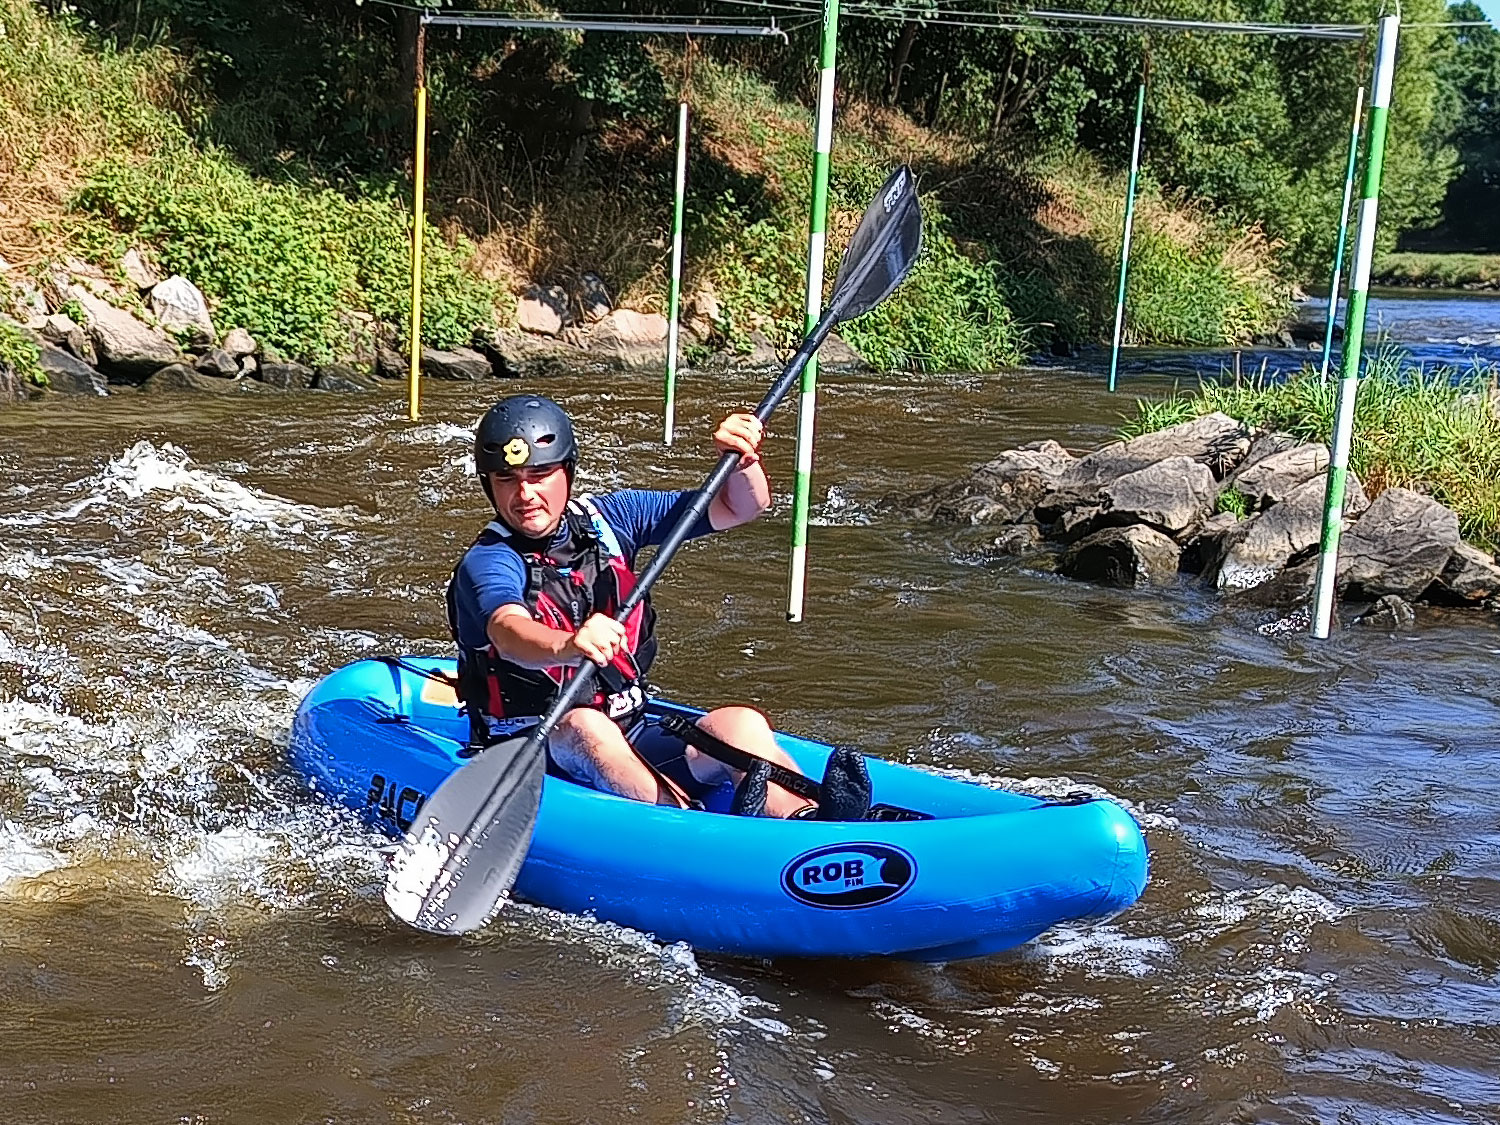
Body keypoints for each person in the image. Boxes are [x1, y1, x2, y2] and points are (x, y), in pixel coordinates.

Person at [445, 394, 816, 817]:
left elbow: (741, 506)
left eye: (540, 474)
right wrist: (568, 644)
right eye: (507, 479)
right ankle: (686, 830)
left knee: (741, 725)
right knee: (587, 724)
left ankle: (803, 826)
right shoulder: (489, 560)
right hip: (534, 747)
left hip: (629, 729)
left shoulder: (612, 520)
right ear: (489, 485)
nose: (525, 493)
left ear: (566, 471)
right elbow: (508, 631)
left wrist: (742, 461)